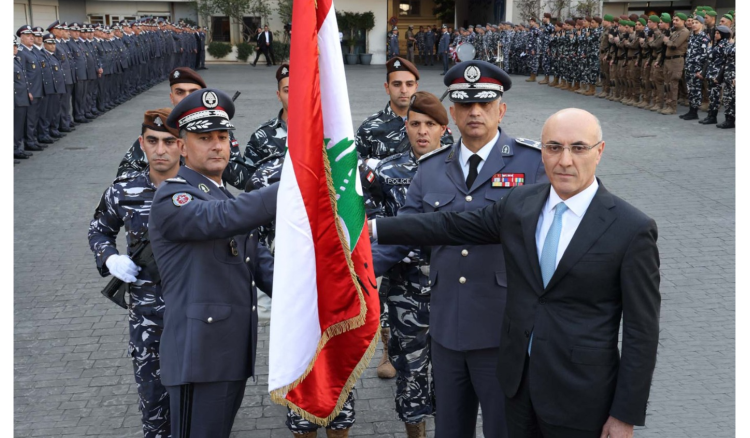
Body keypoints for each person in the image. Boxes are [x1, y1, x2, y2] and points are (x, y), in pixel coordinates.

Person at [373, 108, 661, 438]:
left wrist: (624, 415)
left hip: (582, 397)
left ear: (600, 151)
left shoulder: (631, 228)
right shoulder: (521, 204)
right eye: (553, 147)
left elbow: (642, 332)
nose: (564, 160)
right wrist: (374, 228)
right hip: (517, 388)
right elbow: (449, 224)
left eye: (578, 148)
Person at [371, 60, 546, 438]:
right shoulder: (432, 168)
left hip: (504, 331)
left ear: (502, 109)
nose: (475, 112)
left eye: (485, 104)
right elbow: (405, 232)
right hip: (447, 329)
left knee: (505, 429)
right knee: (450, 429)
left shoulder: (532, 164)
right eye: (466, 105)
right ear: (452, 113)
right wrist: (353, 272)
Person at [149, 89, 277, 438]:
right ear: (183, 147)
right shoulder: (173, 196)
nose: (217, 145)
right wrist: (292, 187)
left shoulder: (221, 195)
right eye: (204, 138)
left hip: (228, 354)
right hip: (199, 358)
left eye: (222, 137)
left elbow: (262, 265)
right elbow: (220, 218)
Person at [88, 108, 181, 438]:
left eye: (169, 142)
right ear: (142, 143)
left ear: (182, 145)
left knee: (195, 405)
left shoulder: (201, 190)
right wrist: (110, 258)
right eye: (152, 141)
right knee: (153, 404)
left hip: (194, 314)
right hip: (146, 316)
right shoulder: (123, 191)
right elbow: (98, 229)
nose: (160, 150)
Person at [364, 91, 450, 438]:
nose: (422, 132)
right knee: (411, 374)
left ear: (444, 129)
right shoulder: (383, 173)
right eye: (415, 124)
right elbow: (372, 230)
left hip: (450, 289)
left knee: (451, 374)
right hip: (405, 291)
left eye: (430, 124)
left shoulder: (460, 170)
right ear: (405, 126)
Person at [116, 67, 251, 190]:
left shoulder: (219, 135)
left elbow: (242, 180)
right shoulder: (158, 131)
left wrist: (210, 155)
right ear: (172, 97)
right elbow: (125, 175)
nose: (187, 98)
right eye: (180, 92)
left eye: (193, 92)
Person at [698, 25, 730, 126]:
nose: (715, 35)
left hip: (717, 74)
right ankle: (710, 115)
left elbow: (711, 55)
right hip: (712, 73)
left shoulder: (724, 44)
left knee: (715, 96)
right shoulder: (718, 44)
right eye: (715, 33)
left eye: (718, 33)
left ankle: (713, 117)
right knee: (711, 95)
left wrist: (709, 48)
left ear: (723, 35)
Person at [680, 14, 710, 120]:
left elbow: (705, 56)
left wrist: (701, 71)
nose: (693, 25)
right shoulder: (692, 36)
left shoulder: (704, 38)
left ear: (701, 24)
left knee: (696, 90)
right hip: (689, 67)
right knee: (690, 89)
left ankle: (694, 112)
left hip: (697, 69)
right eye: (692, 23)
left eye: (696, 23)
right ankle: (691, 111)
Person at [660, 13, 689, 115]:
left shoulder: (684, 32)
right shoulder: (675, 32)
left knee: (673, 84)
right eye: (674, 20)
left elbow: (674, 45)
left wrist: (667, 41)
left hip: (676, 60)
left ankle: (672, 107)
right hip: (669, 60)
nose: (674, 22)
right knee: (667, 83)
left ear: (683, 21)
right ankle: (668, 104)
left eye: (677, 20)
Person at [14, 35, 32, 160]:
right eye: (13, 46)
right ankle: (15, 149)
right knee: (15, 126)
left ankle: (17, 148)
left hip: (22, 98)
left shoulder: (15, 60)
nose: (15, 48)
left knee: (19, 126)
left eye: (15, 45)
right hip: (16, 100)